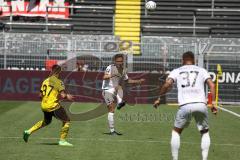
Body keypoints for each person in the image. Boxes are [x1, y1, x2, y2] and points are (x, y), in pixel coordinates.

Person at [153, 51, 217, 160]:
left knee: (176, 132)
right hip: (201, 105)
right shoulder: (201, 70)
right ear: (194, 60)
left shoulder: (177, 71)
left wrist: (159, 98)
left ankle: (175, 158)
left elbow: (167, 84)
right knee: (204, 132)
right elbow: (211, 85)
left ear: (182, 60)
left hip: (185, 105)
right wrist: (213, 102)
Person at [23, 64, 74, 146]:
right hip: (53, 105)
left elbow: (40, 96)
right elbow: (63, 95)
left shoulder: (45, 81)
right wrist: (67, 96)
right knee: (67, 120)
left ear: (52, 71)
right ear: (59, 72)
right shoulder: (59, 82)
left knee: (47, 121)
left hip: (44, 105)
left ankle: (28, 131)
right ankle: (62, 141)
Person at [102, 54, 145, 135]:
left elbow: (127, 80)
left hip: (115, 88)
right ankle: (112, 131)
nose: (119, 63)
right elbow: (104, 77)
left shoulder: (123, 70)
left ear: (123, 61)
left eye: (121, 61)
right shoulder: (110, 67)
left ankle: (120, 102)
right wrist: (113, 74)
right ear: (114, 61)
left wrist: (138, 81)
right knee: (111, 109)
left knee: (119, 87)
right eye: (118, 61)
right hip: (107, 89)